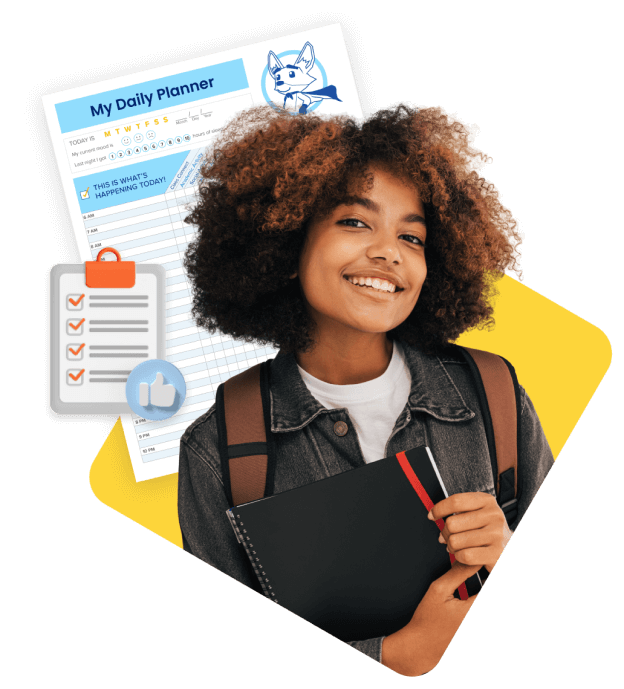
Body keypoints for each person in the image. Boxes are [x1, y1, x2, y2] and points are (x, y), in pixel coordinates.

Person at [177, 102, 554, 676]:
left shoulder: (494, 394)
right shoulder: (217, 449)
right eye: (355, 221)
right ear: (286, 238)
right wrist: (398, 657)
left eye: (413, 236)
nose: (389, 251)